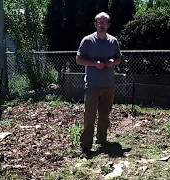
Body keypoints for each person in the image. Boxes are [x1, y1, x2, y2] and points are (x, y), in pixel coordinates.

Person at [76, 12, 122, 155]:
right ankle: (86, 144)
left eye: (105, 22)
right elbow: (78, 59)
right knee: (89, 115)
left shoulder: (113, 41)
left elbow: (118, 58)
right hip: (92, 85)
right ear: (95, 24)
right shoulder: (88, 40)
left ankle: (102, 140)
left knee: (104, 115)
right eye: (99, 22)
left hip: (108, 85)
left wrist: (112, 62)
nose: (102, 25)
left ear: (108, 25)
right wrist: (94, 64)